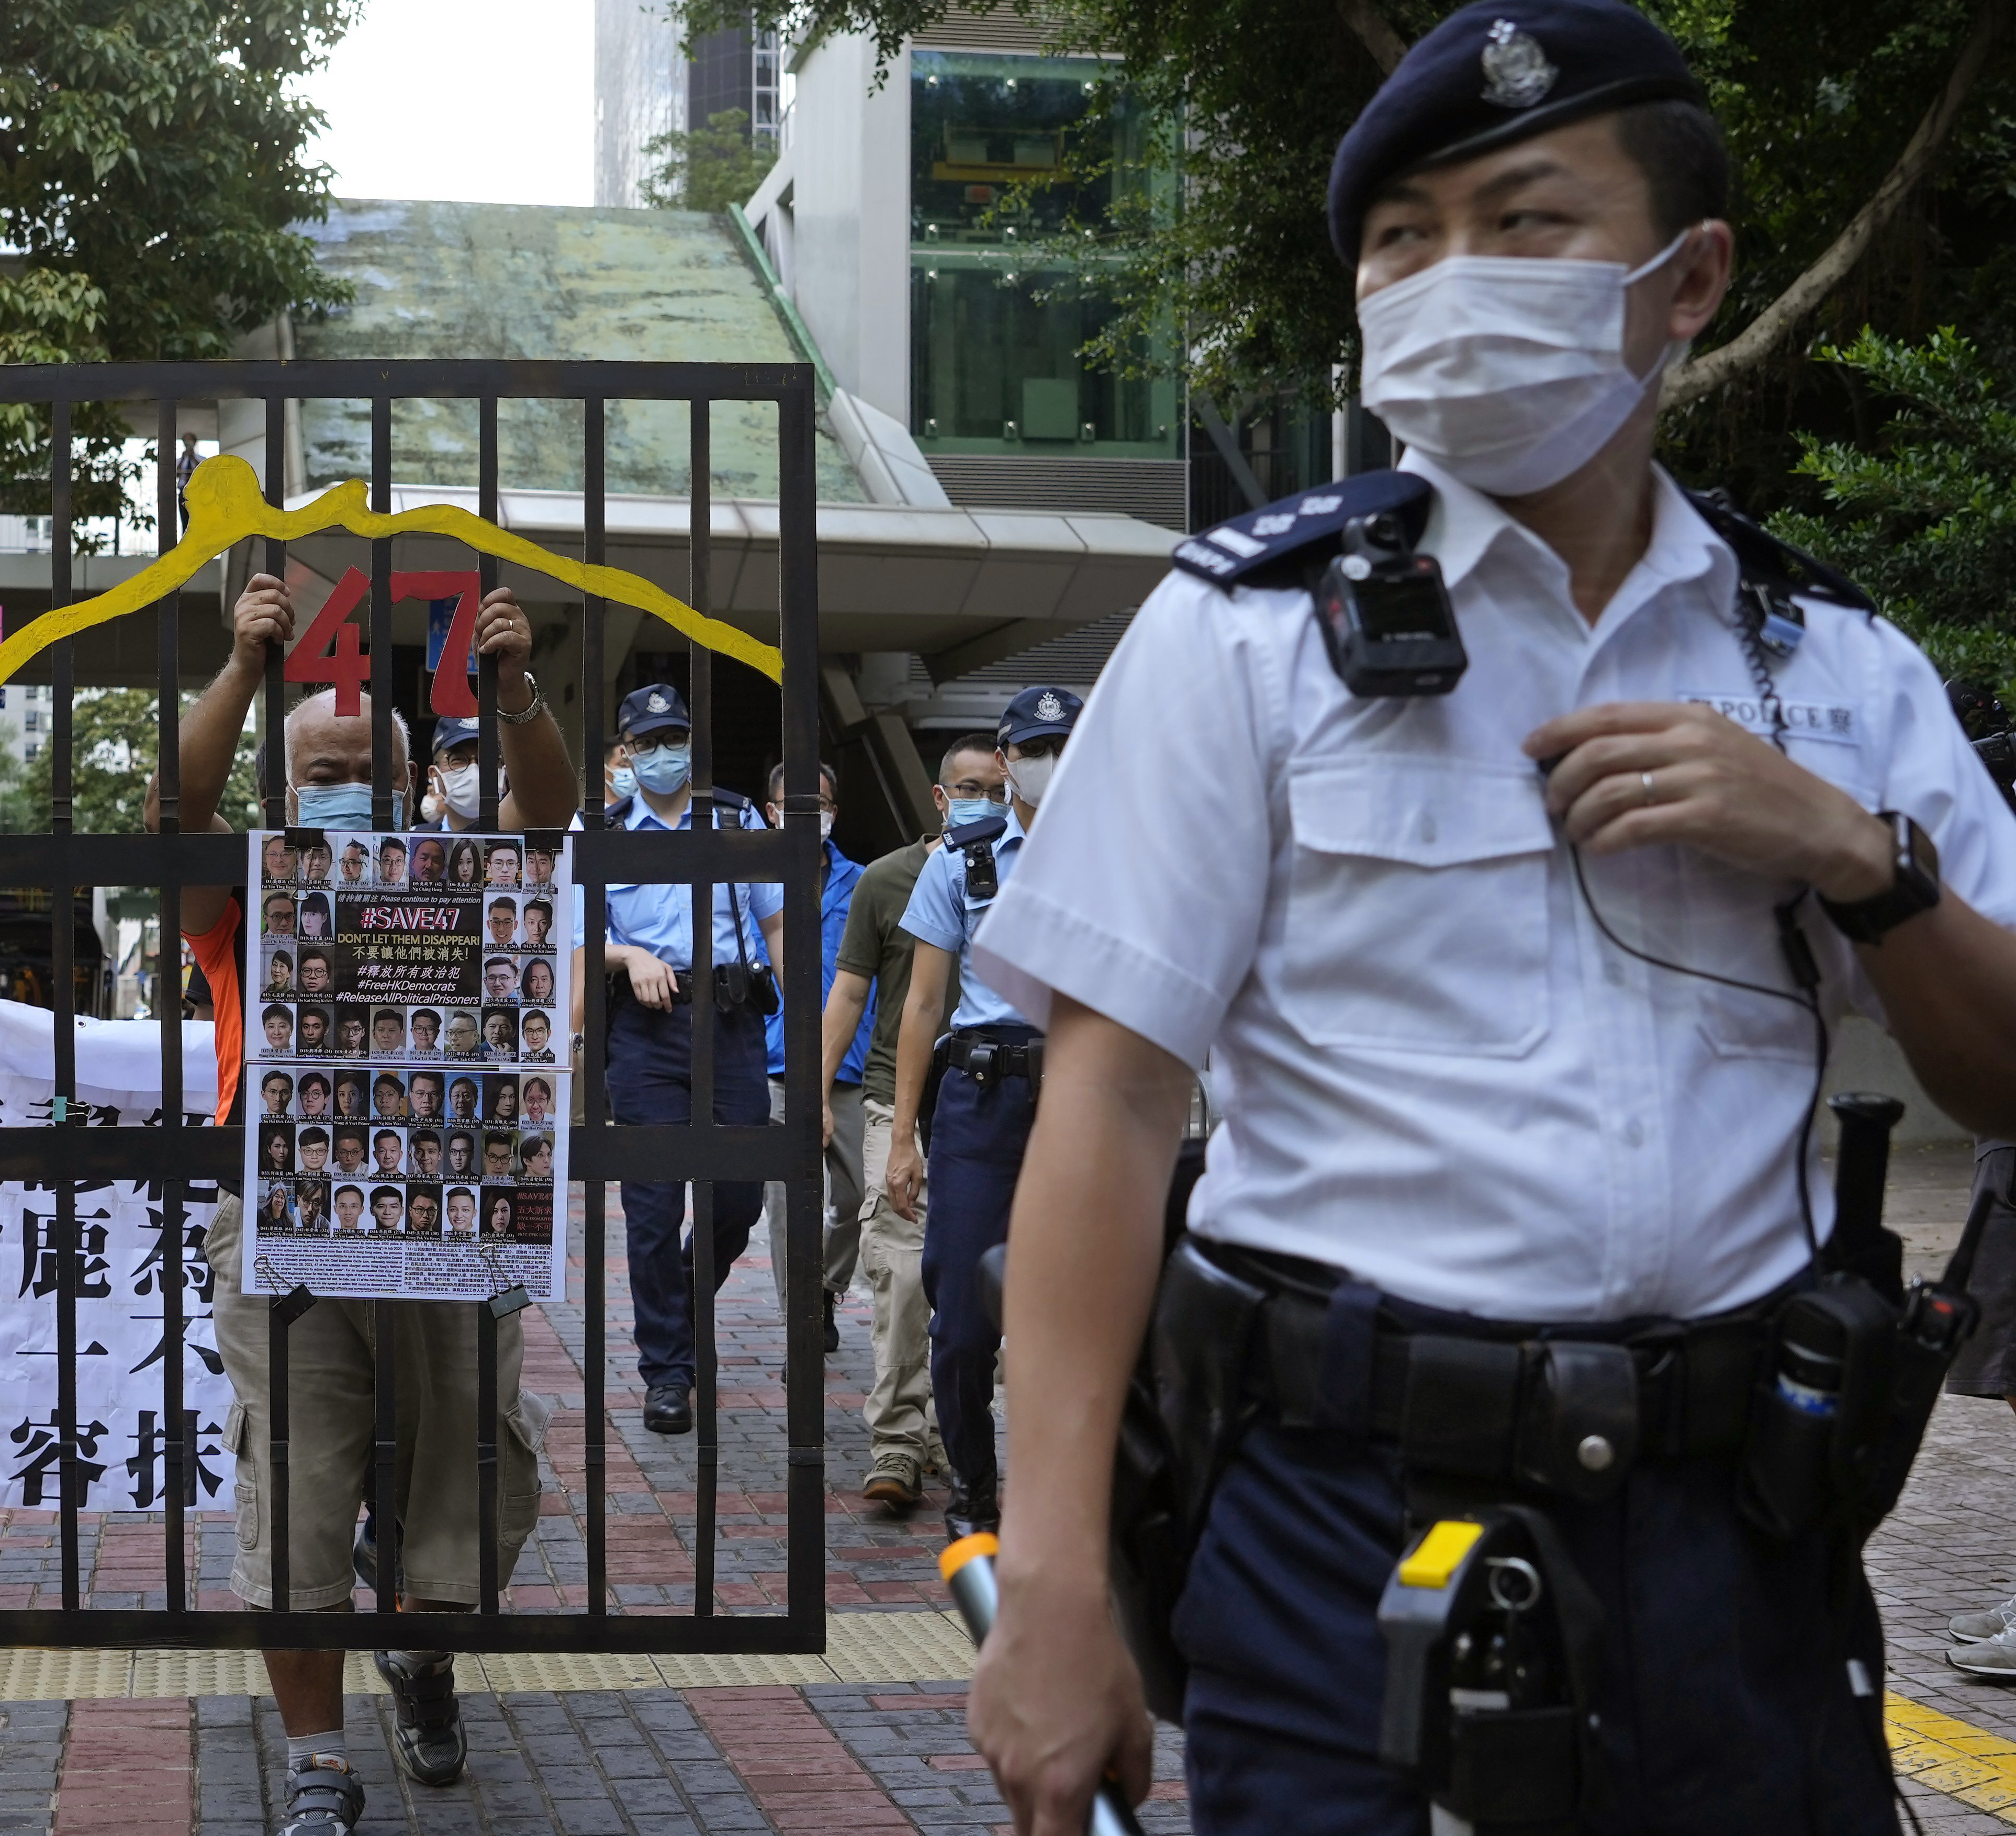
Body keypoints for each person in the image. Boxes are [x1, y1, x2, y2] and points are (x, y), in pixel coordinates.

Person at [964, 10, 2016, 1829]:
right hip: (1340, 1518)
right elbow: (1114, 1104)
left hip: (1740, 1532)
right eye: (1405, 237)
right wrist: (1054, 1578)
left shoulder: (1835, 668)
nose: (1451, 276)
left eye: (1526, 223)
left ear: (1687, 281)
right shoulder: (1245, 632)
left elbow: (1999, 1075)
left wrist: (1857, 854)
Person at [173, 568, 576, 1836]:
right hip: (279, 1215)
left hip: (448, 1222)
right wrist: (241, 669)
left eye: (369, 763)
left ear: (417, 781)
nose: (346, 782)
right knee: (292, 1494)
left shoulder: (465, 871)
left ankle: (417, 1642)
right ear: (288, 787)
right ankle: (317, 1761)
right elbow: (172, 806)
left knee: (469, 1491)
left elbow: (554, 812)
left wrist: (513, 692)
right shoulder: (244, 889)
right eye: (322, 766)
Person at [886, 687, 1081, 1537]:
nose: (1050, 761)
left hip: (1079, 1096)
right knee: (961, 1321)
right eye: (1035, 747)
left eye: (1065, 744)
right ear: (1005, 760)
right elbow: (923, 1006)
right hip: (979, 1101)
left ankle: (1063, 1495)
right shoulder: (961, 859)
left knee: (1072, 1317)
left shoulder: (1120, 852)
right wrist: (902, 1135)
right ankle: (973, 1483)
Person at [572, 683, 788, 1435]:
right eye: (650, 742)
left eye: (677, 739)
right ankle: (667, 1371)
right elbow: (574, 938)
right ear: (625, 753)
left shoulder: (731, 817)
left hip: (730, 1027)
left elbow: (778, 926)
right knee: (652, 1208)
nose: (665, 754)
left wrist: (807, 1042)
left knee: (737, 1201)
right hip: (645, 1033)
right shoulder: (595, 826)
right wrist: (626, 954)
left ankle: (684, 1309)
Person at [819, 740, 987, 1509]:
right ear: (938, 795)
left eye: (995, 786)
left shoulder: (1027, 874)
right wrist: (818, 1092)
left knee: (978, 1285)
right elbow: (849, 994)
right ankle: (896, 1442)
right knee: (902, 1276)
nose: (980, 799)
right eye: (966, 788)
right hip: (898, 1101)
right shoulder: (889, 879)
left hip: (991, 1104)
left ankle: (959, 1435)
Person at [758, 760, 873, 1359]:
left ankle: (825, 1286)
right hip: (778, 1065)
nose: (812, 814)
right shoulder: (754, 883)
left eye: (822, 802)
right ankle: (798, 1317)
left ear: (835, 809)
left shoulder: (863, 884)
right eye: (797, 804)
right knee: (785, 1203)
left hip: (850, 1068)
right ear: (771, 811)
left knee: (857, 1197)